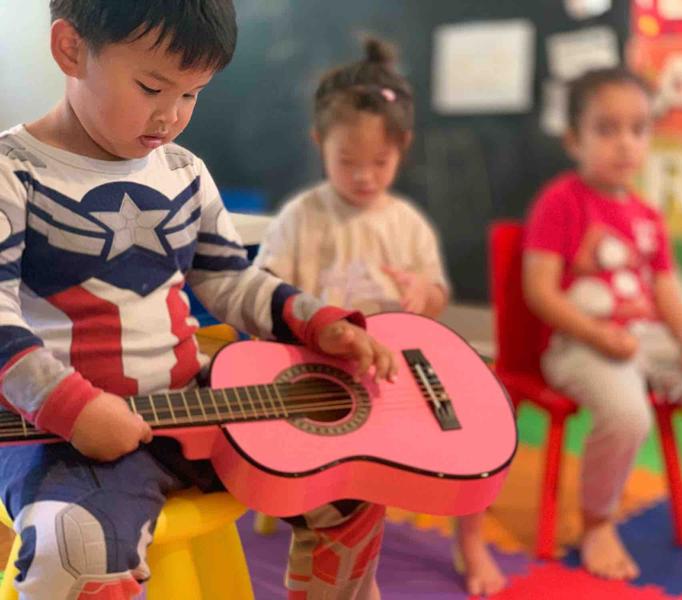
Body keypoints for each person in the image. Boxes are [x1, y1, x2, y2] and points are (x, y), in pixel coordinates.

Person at [0, 2, 396, 598]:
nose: (171, 116)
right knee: (73, 549)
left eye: (192, 94)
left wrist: (318, 323)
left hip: (194, 408)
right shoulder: (13, 172)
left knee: (352, 483)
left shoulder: (183, 171)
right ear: (71, 50)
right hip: (61, 433)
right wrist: (71, 408)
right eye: (152, 87)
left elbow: (230, 280)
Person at [255, 37, 506, 596]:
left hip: (396, 372)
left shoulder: (405, 222)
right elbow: (265, 291)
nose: (364, 177)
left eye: (380, 163)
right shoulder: (303, 217)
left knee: (477, 431)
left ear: (404, 149)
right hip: (326, 373)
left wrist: (424, 293)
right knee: (348, 493)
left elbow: (436, 294)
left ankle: (469, 542)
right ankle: (349, 567)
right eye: (347, 162)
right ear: (320, 144)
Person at [522, 67, 682, 580]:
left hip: (650, 342)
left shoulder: (647, 214)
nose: (625, 144)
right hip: (580, 343)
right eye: (606, 129)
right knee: (628, 415)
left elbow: (665, 291)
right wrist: (599, 334)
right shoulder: (561, 201)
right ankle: (597, 522)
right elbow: (540, 292)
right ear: (574, 138)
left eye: (638, 129)